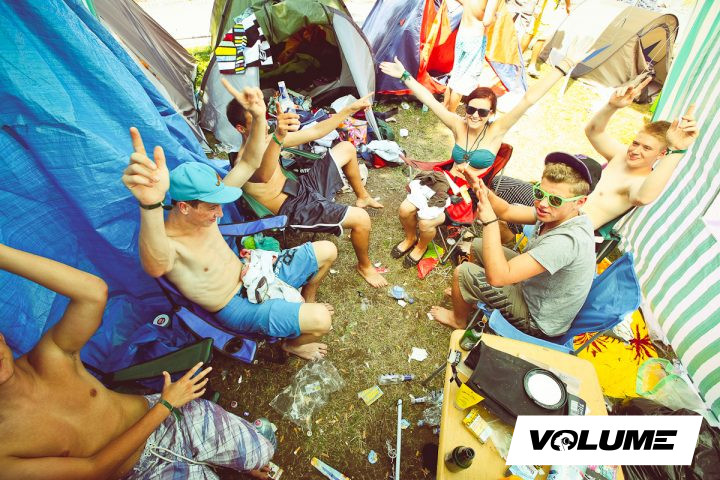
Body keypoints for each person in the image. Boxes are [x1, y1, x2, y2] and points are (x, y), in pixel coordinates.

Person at [0, 243, 274, 479]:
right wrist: (166, 404)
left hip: (174, 419)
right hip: (144, 470)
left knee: (263, 453)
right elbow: (93, 470)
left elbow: (92, 292)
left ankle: (244, 455)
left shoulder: (50, 356)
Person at [123, 85, 336, 361]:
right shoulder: (170, 245)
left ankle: (305, 296)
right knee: (321, 320)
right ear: (184, 207)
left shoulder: (205, 209)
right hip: (236, 306)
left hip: (254, 272)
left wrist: (258, 118)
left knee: (327, 250)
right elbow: (155, 265)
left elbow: (248, 163)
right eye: (213, 207)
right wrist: (150, 205)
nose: (220, 214)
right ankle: (291, 345)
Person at [379, 42, 591, 267]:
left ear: (491, 114)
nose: (475, 115)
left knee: (426, 222)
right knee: (405, 209)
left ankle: (421, 247)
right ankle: (410, 238)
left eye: (482, 112)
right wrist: (405, 76)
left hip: (467, 195)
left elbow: (528, 100)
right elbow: (430, 100)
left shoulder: (496, 130)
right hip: (442, 180)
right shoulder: (458, 124)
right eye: (471, 109)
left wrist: (564, 65)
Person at [226, 90, 388, 288]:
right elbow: (264, 175)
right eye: (257, 122)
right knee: (361, 219)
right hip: (294, 208)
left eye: (264, 119)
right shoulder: (243, 162)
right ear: (241, 128)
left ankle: (362, 196)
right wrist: (278, 137)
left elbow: (315, 132)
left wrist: (349, 109)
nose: (265, 125)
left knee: (346, 148)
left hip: (302, 186)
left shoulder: (267, 139)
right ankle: (365, 266)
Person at [430, 152, 601, 338]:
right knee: (478, 245)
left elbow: (498, 277)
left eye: (555, 199)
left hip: (537, 320)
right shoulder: (559, 212)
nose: (543, 204)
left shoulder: (566, 242)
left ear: (580, 202)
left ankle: (458, 320)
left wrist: (489, 222)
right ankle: (469, 294)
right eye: (539, 193)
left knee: (463, 272)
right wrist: (481, 188)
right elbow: (507, 211)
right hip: (533, 289)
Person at [583, 77, 699, 229]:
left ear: (662, 154)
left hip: (569, 233)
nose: (635, 151)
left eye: (647, 148)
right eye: (635, 143)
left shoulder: (640, 182)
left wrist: (677, 150)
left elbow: (642, 198)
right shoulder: (621, 156)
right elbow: (593, 132)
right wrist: (611, 106)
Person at [443, 0, 500, 113]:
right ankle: (450, 114)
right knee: (462, 82)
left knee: (456, 74)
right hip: (475, 38)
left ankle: (444, 106)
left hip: (462, 33)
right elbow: (487, 21)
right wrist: (495, 17)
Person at [526, 0, 572, 78]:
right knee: (539, 37)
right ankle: (530, 65)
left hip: (546, 6)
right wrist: (568, 6)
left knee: (531, 32)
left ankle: (516, 60)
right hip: (547, 7)